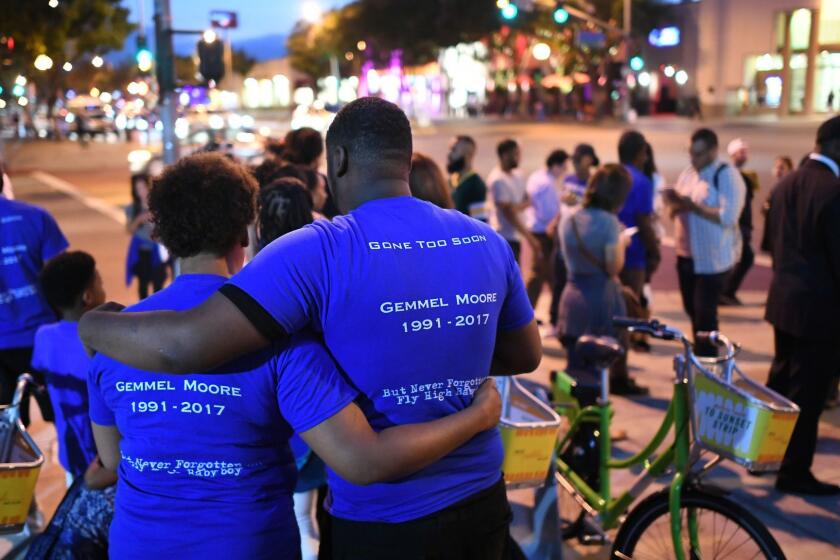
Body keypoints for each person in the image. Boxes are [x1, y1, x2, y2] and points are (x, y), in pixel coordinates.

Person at [80, 97, 541, 559]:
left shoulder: (316, 251)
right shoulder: (485, 241)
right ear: (405, 157)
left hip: (381, 522)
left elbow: (183, 346)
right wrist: (450, 365)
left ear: (337, 160)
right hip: (481, 502)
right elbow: (526, 355)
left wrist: (95, 324)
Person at [763, 115, 840, 496]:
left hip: (783, 300)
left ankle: (765, 453)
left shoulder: (786, 183)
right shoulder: (833, 190)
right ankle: (793, 471)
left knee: (780, 383)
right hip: (819, 311)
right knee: (807, 393)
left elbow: (769, 245)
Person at [664, 128, 746, 357]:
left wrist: (694, 207)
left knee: (705, 315)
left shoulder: (726, 175)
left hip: (712, 259)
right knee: (692, 310)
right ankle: (699, 357)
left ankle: (707, 365)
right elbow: (678, 207)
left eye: (698, 154)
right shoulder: (690, 173)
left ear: (712, 151)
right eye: (690, 153)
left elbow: (728, 217)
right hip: (686, 255)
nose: (693, 159)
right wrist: (675, 203)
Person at [557, 164, 635, 390]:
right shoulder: (609, 223)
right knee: (596, 378)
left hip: (572, 299)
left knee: (575, 372)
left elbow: (564, 256)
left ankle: (575, 420)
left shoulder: (568, 218)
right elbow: (613, 267)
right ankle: (594, 423)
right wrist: (622, 241)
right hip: (600, 301)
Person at [0, 175, 68, 426]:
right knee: (64, 417)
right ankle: (73, 466)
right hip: (41, 336)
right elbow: (61, 279)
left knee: (8, 430)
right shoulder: (36, 217)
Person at [33, 251, 104, 483]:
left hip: (71, 454)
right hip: (106, 458)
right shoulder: (105, 340)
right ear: (88, 296)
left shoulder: (43, 337)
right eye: (99, 283)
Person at [550, 144, 599, 333]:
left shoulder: (594, 182)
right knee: (558, 280)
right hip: (563, 237)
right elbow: (562, 208)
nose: (575, 163)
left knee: (576, 283)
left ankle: (575, 323)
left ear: (588, 160)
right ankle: (557, 321)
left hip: (581, 241)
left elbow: (593, 210)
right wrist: (555, 222)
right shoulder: (569, 179)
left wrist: (577, 202)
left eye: (578, 159)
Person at [616, 131, 660, 325]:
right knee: (632, 306)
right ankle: (629, 344)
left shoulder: (611, 175)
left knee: (615, 305)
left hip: (610, 251)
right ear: (639, 153)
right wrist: (655, 251)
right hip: (634, 254)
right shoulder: (642, 182)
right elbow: (644, 222)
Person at [524, 150, 568, 311]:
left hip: (535, 228)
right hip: (544, 232)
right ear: (556, 165)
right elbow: (548, 213)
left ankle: (552, 310)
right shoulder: (547, 184)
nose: (565, 171)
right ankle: (527, 312)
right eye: (564, 167)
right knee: (541, 273)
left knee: (547, 273)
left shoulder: (536, 177)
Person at [488, 138, 538, 265]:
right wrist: (530, 238)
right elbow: (509, 213)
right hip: (505, 237)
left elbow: (528, 199)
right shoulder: (497, 180)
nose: (519, 158)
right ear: (505, 155)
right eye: (516, 154)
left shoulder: (519, 174)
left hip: (517, 235)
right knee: (511, 278)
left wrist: (515, 207)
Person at [720, 138, 758, 306]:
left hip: (742, 225)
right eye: (741, 152)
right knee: (744, 258)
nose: (744, 155)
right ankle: (725, 292)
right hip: (736, 226)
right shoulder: (729, 176)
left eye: (745, 152)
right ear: (732, 154)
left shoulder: (744, 177)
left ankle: (726, 291)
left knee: (743, 258)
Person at [125, 173, 168, 300]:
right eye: (138, 189)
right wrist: (139, 219)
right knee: (143, 286)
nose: (141, 192)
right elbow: (129, 229)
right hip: (142, 251)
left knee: (158, 284)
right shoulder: (133, 208)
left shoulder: (158, 205)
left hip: (158, 250)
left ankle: (157, 311)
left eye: (143, 188)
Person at [447, 136, 488, 221]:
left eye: (454, 150)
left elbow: (480, 221)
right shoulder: (451, 181)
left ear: (468, 154)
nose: (449, 154)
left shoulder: (476, 184)